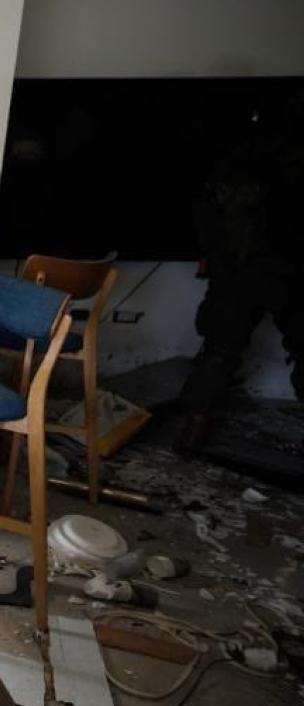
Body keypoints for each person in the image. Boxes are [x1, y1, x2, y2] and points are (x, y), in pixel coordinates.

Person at [177, 92, 304, 450]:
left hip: (238, 275)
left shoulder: (235, 160)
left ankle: (194, 430)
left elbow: (208, 218)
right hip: (288, 273)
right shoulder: (291, 163)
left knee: (219, 353)